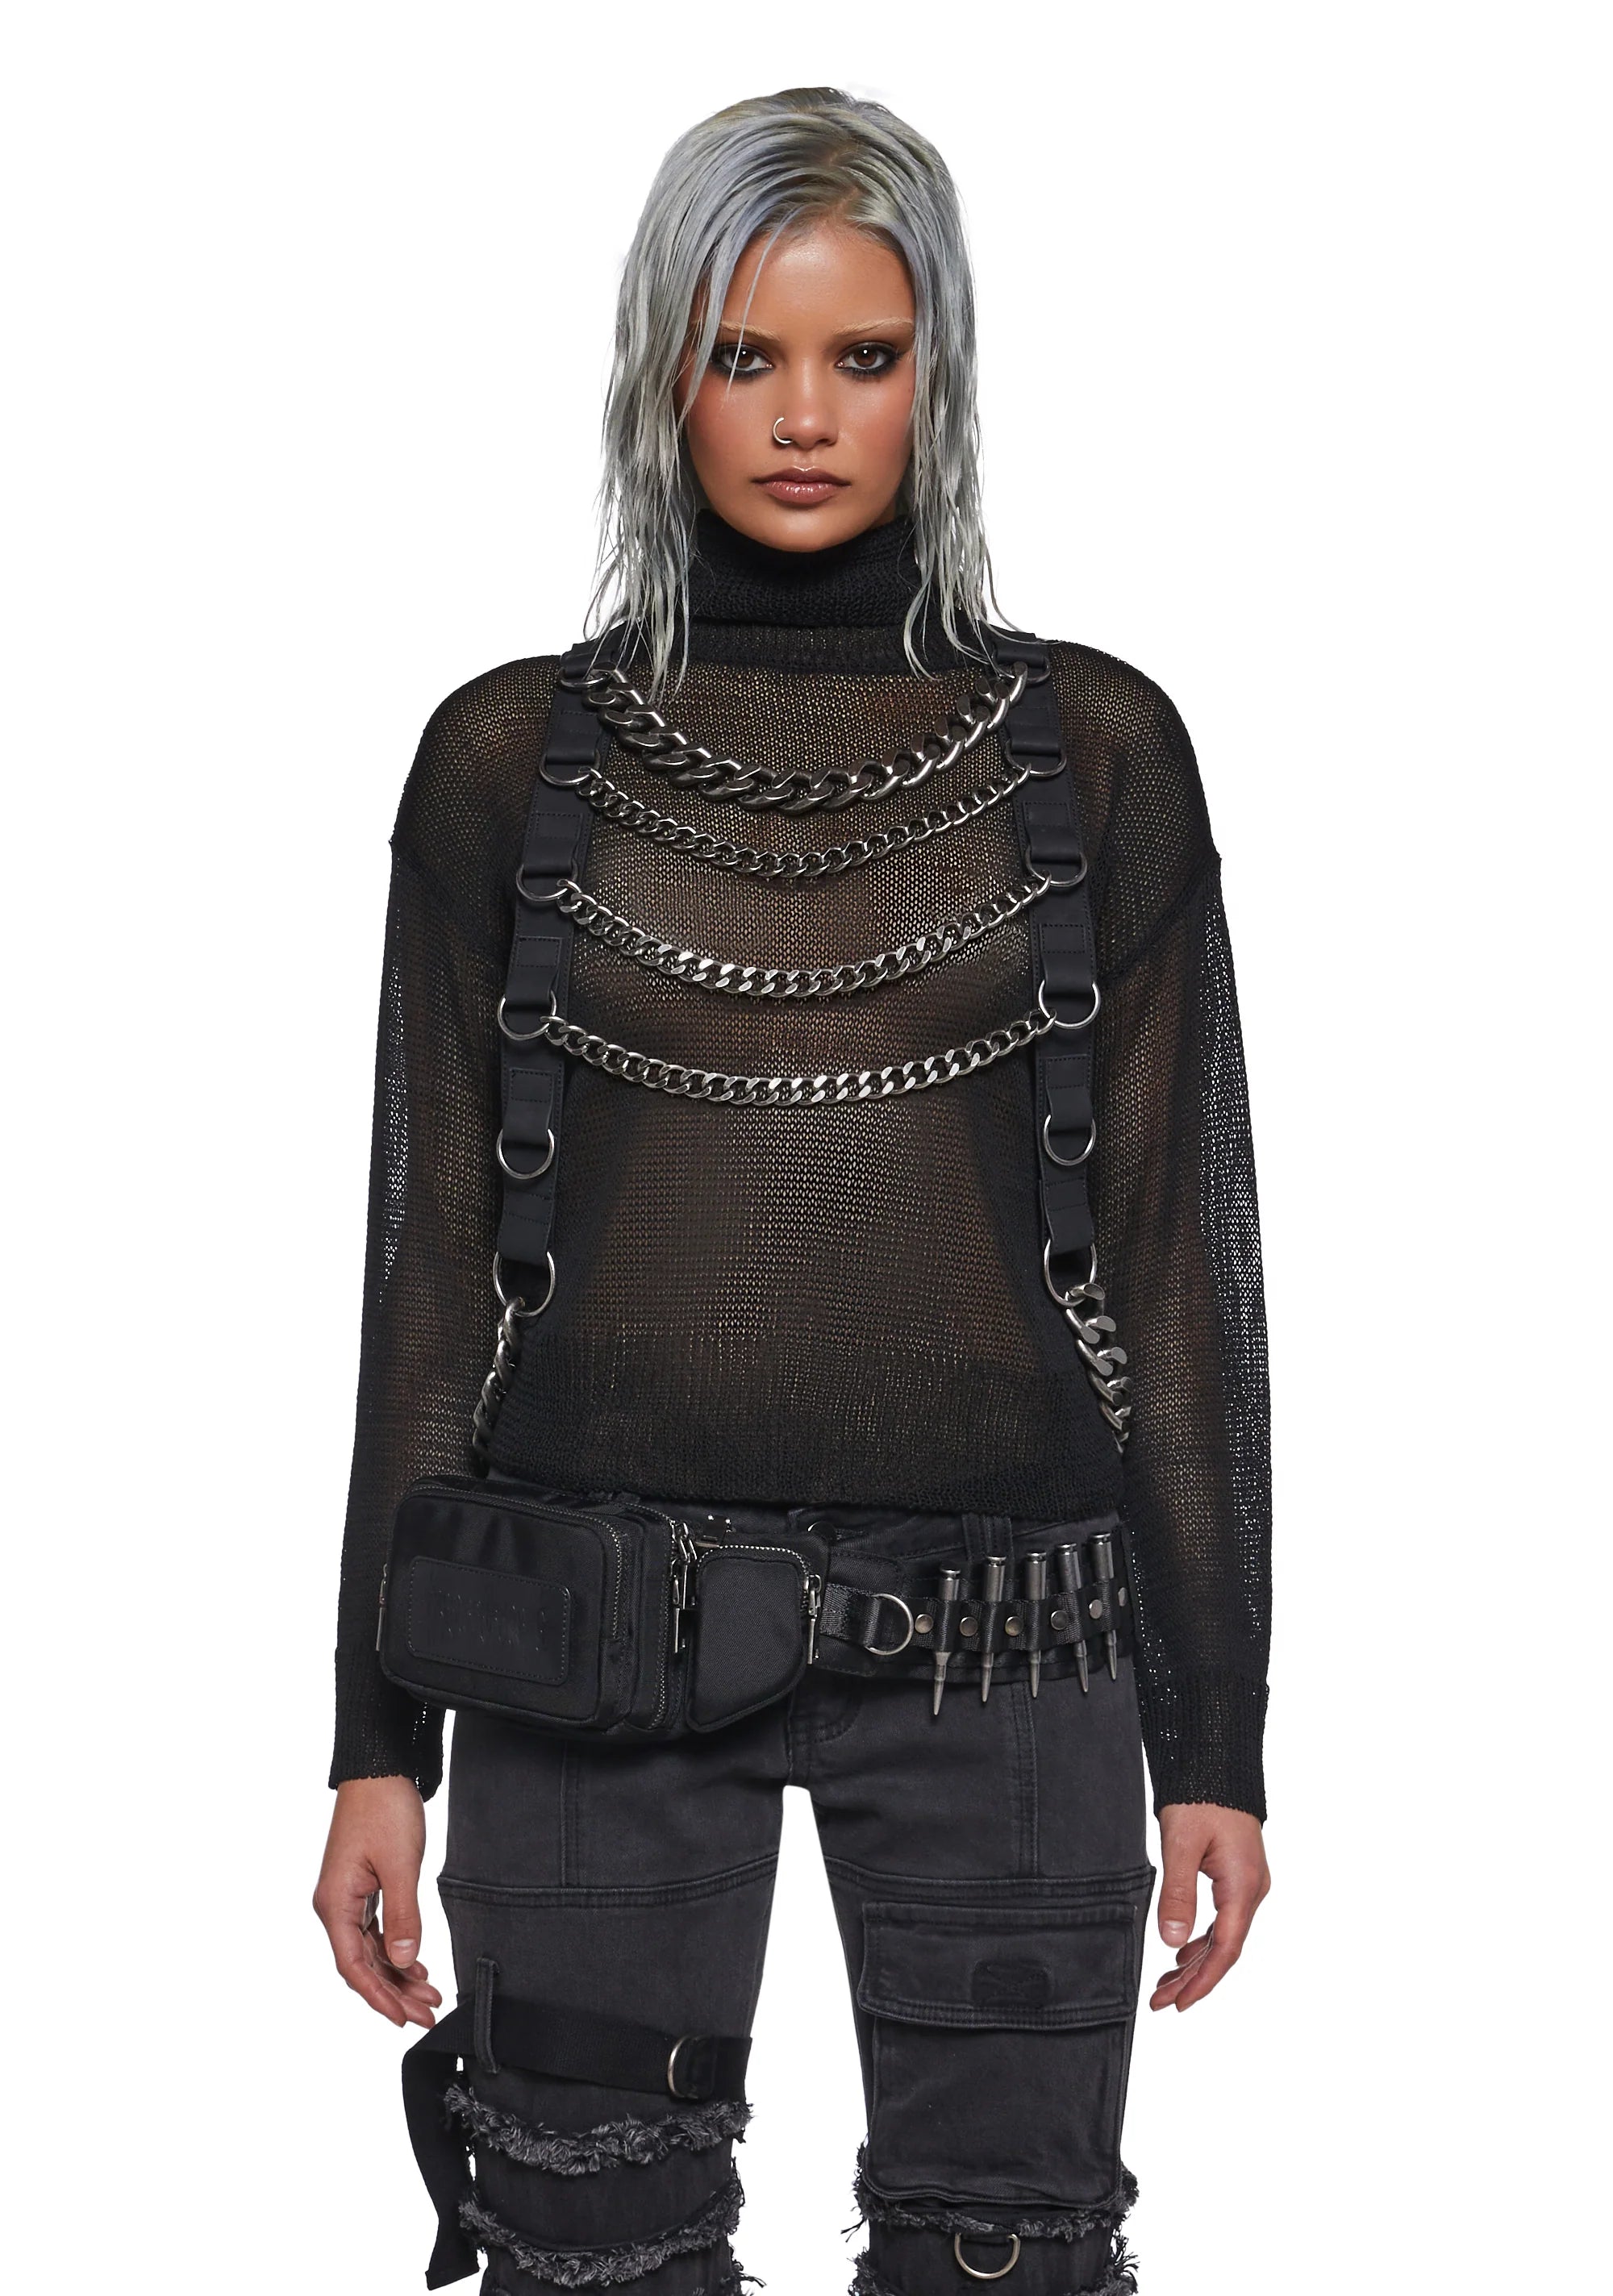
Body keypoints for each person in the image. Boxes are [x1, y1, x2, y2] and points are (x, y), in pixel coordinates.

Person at [314, 85, 1272, 2296]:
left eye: (866, 355)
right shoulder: (506, 761)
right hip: (579, 1649)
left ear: (942, 373)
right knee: (583, 2256)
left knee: (1011, 2263)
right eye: (746, 354)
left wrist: (1214, 1745)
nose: (808, 416)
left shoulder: (1098, 752)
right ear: (664, 370)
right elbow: (429, 1273)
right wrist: (374, 1747)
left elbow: (1177, 1274)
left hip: (1016, 1649)